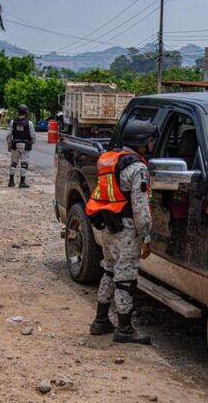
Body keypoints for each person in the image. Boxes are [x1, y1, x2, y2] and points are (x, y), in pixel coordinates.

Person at [86, 121, 158, 345]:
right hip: (127, 230)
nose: (153, 143)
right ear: (143, 142)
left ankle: (100, 320)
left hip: (108, 226)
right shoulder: (138, 168)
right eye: (151, 140)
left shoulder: (111, 160)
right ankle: (125, 328)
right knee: (125, 278)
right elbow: (140, 207)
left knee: (108, 270)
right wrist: (146, 237)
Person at [6, 104, 37, 188]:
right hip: (25, 146)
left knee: (13, 162)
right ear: (26, 112)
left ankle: (11, 181)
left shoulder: (13, 122)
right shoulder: (29, 123)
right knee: (24, 163)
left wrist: (9, 144)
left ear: (18, 112)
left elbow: (8, 135)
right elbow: (33, 136)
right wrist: (31, 142)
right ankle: (22, 182)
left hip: (15, 145)